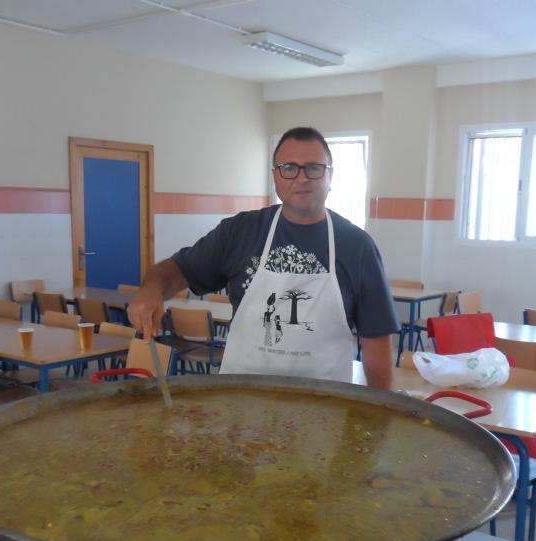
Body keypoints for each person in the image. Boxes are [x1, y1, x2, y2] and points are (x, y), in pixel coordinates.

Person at [127, 126, 399, 389]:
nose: (302, 178)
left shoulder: (357, 246)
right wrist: (151, 289)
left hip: (325, 405)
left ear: (330, 175)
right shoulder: (239, 232)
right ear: (275, 176)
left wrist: (381, 410)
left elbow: (376, 341)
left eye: (314, 168)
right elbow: (175, 270)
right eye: (289, 168)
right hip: (241, 400)